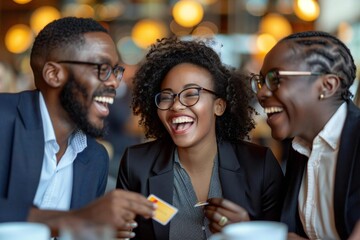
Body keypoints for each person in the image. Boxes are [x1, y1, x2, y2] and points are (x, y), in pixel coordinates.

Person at [0, 17, 155, 238]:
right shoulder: (4, 119)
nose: (114, 82)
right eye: (102, 68)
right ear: (54, 74)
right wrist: (73, 219)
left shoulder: (95, 158)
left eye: (115, 71)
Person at [116, 37, 284, 240]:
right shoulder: (137, 164)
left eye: (191, 94)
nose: (176, 106)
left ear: (219, 106)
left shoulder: (259, 165)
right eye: (167, 96)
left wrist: (246, 231)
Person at [251, 31, 360, 239]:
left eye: (275, 79)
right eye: (261, 81)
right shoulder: (301, 147)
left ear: (327, 86)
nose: (261, 93)